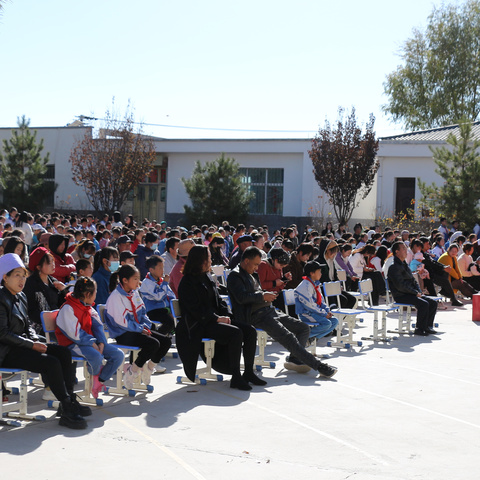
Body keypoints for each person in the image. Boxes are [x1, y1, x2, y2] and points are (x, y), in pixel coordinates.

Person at [0, 253, 90, 429]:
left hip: (22, 345)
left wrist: (34, 339)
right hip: (6, 351)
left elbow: (28, 326)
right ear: (5, 277)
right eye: (16, 275)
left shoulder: (21, 296)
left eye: (23, 275)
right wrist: (32, 345)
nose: (22, 280)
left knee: (63, 352)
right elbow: (2, 334)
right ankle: (66, 406)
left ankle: (69, 400)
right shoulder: (1, 298)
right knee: (50, 362)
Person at [227, 246, 337, 378]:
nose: (257, 268)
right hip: (255, 315)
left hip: (268, 310)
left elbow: (257, 291)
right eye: (255, 264)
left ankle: (294, 357)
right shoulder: (235, 276)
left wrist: (266, 294)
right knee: (288, 337)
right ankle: (319, 366)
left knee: (303, 328)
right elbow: (241, 298)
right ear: (246, 261)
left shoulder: (251, 273)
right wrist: (262, 296)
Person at [177, 245, 265, 390]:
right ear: (201, 261)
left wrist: (227, 315)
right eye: (209, 258)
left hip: (214, 320)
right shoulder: (187, 282)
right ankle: (236, 376)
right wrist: (217, 318)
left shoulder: (206, 277)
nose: (211, 261)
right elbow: (195, 310)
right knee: (235, 333)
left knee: (249, 330)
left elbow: (218, 301)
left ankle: (248, 372)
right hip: (199, 325)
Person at [56, 277, 124, 399]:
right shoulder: (68, 308)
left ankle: (99, 380)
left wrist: (101, 342)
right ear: (88, 294)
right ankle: (95, 377)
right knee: (96, 356)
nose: (96, 294)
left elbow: (97, 326)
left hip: (88, 342)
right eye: (95, 292)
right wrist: (93, 343)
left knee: (118, 355)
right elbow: (75, 333)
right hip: (71, 344)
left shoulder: (88, 307)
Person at [105, 264, 172, 389]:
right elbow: (122, 322)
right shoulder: (115, 297)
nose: (138, 281)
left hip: (136, 330)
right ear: (125, 280)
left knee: (165, 341)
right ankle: (132, 371)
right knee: (153, 344)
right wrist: (141, 329)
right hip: (123, 334)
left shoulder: (134, 293)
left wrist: (147, 327)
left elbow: (142, 313)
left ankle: (148, 368)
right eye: (135, 278)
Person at [388, 242, 439, 336]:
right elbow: (400, 286)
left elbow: (413, 281)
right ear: (397, 252)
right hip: (401, 295)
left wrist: (419, 291)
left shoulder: (404, 264)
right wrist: (415, 293)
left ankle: (427, 326)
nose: (406, 251)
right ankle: (419, 328)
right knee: (424, 304)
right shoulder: (394, 267)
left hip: (410, 293)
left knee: (433, 303)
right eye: (403, 248)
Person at [23, 247, 67, 334]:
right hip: (40, 329)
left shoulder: (54, 282)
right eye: (49, 263)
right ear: (38, 267)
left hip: (58, 325)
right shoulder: (29, 284)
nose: (53, 264)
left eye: (53, 261)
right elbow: (30, 311)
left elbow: (62, 304)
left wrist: (64, 290)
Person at [294, 261, 339, 342]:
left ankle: (312, 338)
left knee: (335, 321)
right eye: (319, 272)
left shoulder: (315, 284)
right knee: (327, 324)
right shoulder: (305, 286)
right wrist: (324, 314)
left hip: (315, 312)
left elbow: (321, 301)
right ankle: (303, 336)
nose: (321, 274)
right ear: (312, 273)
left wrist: (327, 311)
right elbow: (310, 306)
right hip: (306, 313)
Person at [139, 255, 176, 337]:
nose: (162, 270)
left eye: (163, 267)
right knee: (170, 322)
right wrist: (165, 284)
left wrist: (173, 309)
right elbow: (158, 297)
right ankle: (158, 337)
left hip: (164, 309)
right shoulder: (147, 283)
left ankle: (164, 336)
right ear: (151, 270)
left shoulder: (161, 280)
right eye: (160, 268)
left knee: (178, 319)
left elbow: (170, 295)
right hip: (152, 310)